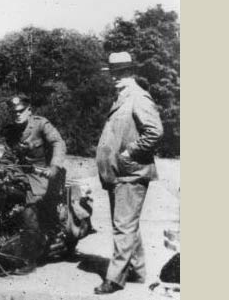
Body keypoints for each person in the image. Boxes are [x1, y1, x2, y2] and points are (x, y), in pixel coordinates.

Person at [94, 51, 163, 295]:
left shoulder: (138, 97)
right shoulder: (123, 96)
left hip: (131, 173)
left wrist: (128, 153)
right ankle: (137, 269)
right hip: (120, 173)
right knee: (126, 223)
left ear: (129, 73)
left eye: (120, 73)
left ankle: (114, 279)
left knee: (123, 225)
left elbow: (154, 131)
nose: (115, 77)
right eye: (113, 73)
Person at [0, 94, 67, 275]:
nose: (17, 115)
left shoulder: (40, 124)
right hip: (19, 173)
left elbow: (58, 143)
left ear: (29, 110)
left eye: (21, 111)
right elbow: (7, 155)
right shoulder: (11, 130)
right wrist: (0, 166)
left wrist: (54, 166)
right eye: (14, 112)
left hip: (41, 174)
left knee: (30, 210)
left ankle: (28, 260)